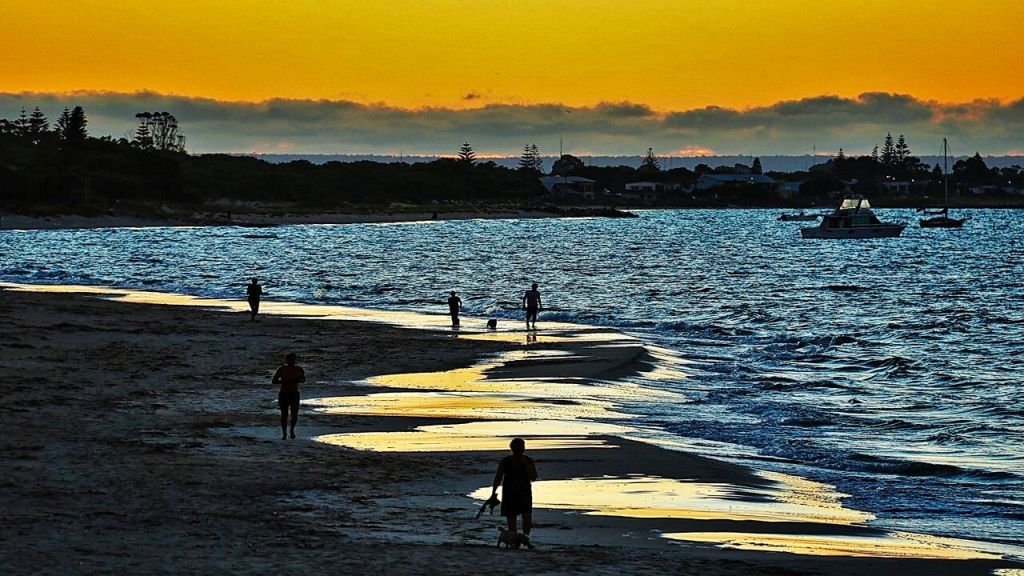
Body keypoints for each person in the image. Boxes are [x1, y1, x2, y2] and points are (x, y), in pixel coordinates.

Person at [491, 438, 538, 541]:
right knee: (512, 517)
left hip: (523, 492)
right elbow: (498, 477)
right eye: (518, 447)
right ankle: (515, 539)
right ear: (512, 448)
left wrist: (526, 465)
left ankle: (524, 538)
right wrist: (493, 492)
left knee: (526, 515)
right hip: (510, 492)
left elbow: (533, 477)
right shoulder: (506, 461)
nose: (520, 449)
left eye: (521, 447)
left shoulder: (528, 460)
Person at [272, 353, 306, 440]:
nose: (292, 361)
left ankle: (292, 430)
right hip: (284, 393)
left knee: (294, 415)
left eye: (293, 360)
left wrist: (299, 380)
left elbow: (304, 379)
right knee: (284, 415)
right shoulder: (282, 369)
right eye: (290, 360)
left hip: (294, 393)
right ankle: (284, 433)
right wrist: (283, 381)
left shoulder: (299, 369)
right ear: (287, 360)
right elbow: (274, 381)